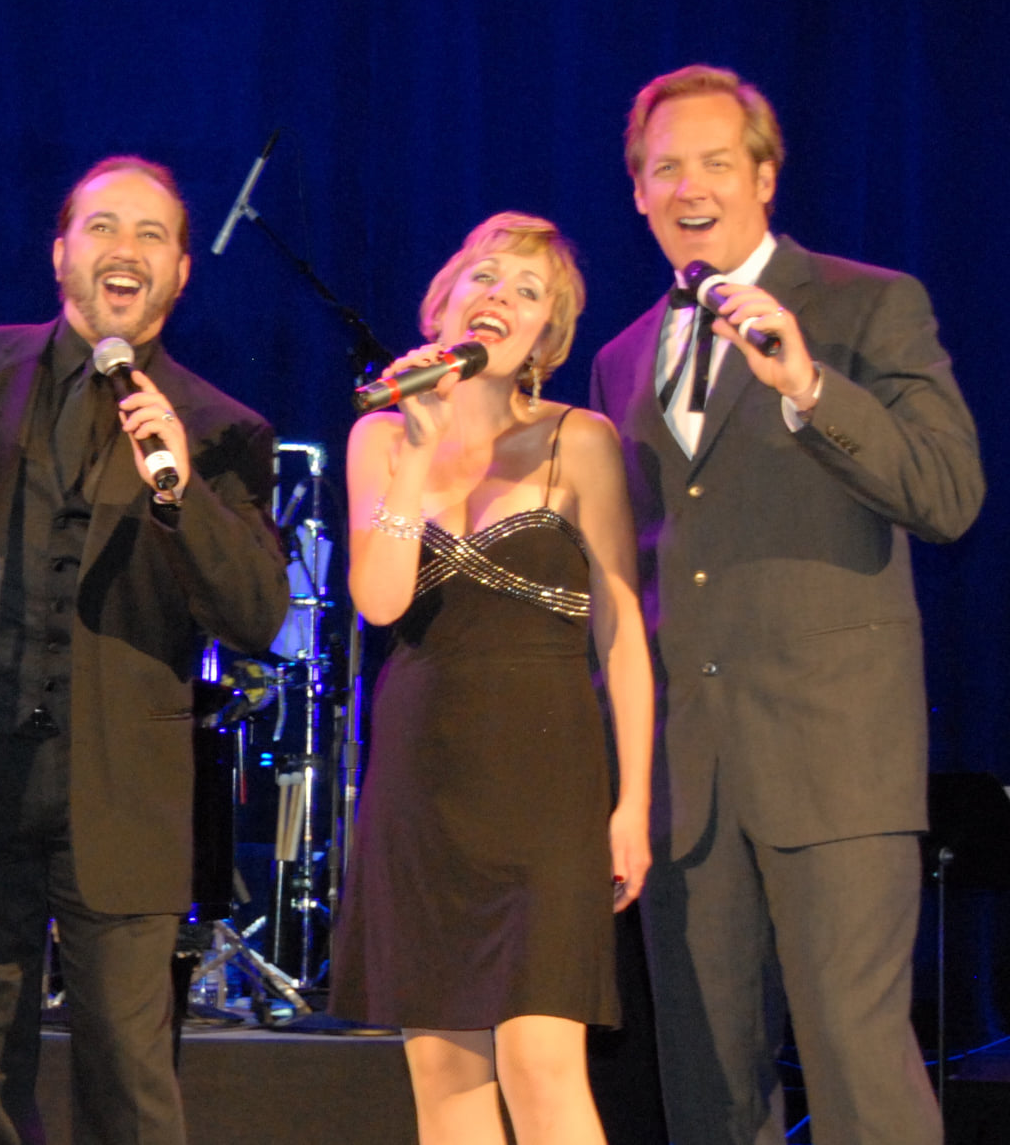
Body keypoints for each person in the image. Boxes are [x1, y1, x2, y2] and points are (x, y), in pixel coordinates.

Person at [0, 156, 290, 1145]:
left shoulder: (217, 429)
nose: (126, 250)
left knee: (130, 1084)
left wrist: (181, 494)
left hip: (118, 795)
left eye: (152, 234)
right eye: (103, 226)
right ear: (61, 251)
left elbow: (255, 613)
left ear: (180, 272)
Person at [590, 64, 984, 1143]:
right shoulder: (623, 358)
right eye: (665, 167)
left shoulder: (867, 304)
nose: (690, 185)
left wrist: (810, 388)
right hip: (689, 778)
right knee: (711, 1083)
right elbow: (634, 573)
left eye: (717, 161)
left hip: (835, 761)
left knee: (860, 1067)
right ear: (636, 192)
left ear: (765, 175)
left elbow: (949, 495)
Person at [326, 212, 654, 1144]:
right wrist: (421, 451)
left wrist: (631, 804)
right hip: (425, 782)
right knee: (446, 1073)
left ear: (548, 333)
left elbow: (623, 632)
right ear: (444, 301)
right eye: (484, 278)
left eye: (526, 290)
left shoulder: (578, 439)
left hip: (548, 785)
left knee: (545, 1064)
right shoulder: (383, 443)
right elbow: (381, 603)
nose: (499, 299)